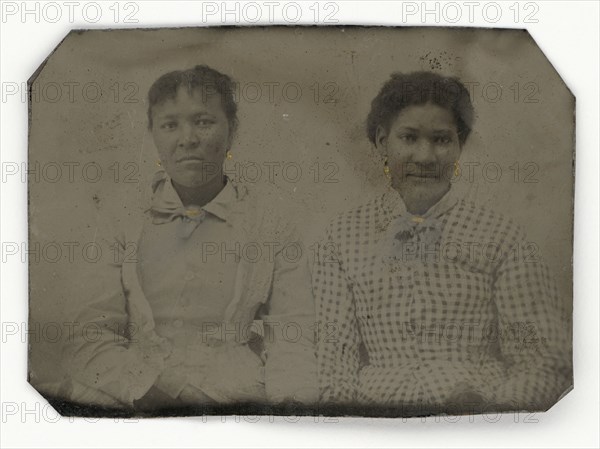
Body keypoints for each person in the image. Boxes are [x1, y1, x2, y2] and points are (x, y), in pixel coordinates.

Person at [313, 71, 572, 414]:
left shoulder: (500, 236)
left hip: (477, 410)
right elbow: (336, 357)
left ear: (459, 146)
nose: (425, 156)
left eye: (441, 140)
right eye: (408, 138)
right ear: (381, 142)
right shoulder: (342, 238)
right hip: (378, 414)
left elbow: (542, 358)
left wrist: (494, 414)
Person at [63, 65, 317, 411]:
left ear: (232, 131)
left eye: (203, 122)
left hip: (235, 396)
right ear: (153, 134)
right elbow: (91, 339)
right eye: (170, 125)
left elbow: (293, 335)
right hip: (136, 393)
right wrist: (174, 395)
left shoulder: (269, 223)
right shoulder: (120, 218)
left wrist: (292, 414)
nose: (188, 139)